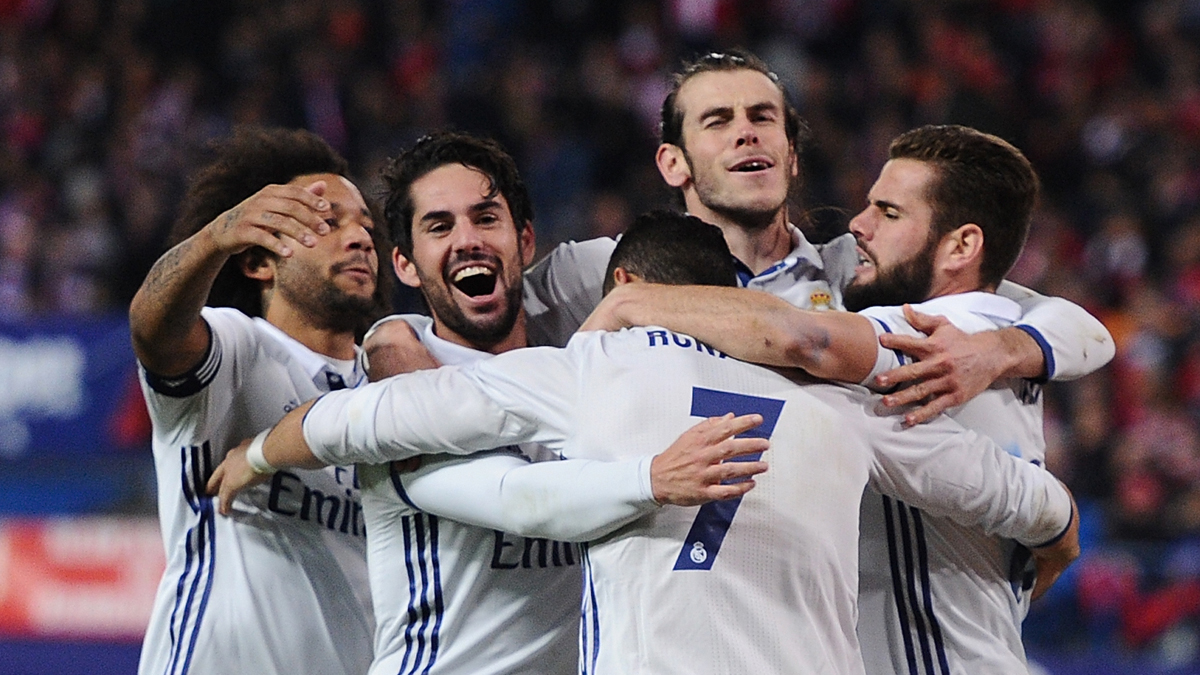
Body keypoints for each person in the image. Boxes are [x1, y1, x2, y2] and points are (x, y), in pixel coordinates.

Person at [207, 210, 1080, 675]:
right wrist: (1056, 532)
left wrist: (254, 455)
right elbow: (1020, 494)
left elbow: (357, 420)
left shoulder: (590, 367)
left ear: (625, 283)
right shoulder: (845, 403)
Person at [582, 124, 1103, 673]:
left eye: (890, 212)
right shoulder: (999, 334)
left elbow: (803, 339)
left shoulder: (931, 336)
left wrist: (635, 301)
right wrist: (1056, 520)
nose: (859, 223)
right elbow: (1076, 326)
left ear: (962, 246)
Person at [321, 132, 771, 674]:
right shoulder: (400, 398)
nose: (467, 240)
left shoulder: (579, 369)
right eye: (440, 227)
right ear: (407, 265)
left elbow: (702, 265)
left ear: (526, 241)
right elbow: (525, 499)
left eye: (486, 218)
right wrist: (653, 478)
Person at [128, 126, 388, 675]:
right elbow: (154, 332)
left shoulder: (391, 391)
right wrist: (214, 238)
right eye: (327, 222)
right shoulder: (239, 349)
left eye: (365, 224)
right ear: (258, 261)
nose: (362, 237)